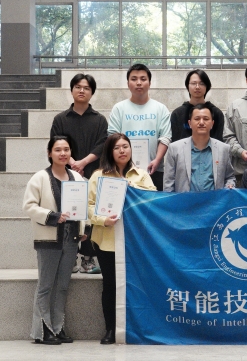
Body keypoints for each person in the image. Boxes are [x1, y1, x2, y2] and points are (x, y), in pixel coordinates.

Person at [88, 133, 157, 345]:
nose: (122, 151)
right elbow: (88, 206)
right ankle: (111, 329)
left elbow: (153, 201)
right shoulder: (98, 176)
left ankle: (137, 328)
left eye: (125, 146)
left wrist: (132, 189)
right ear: (110, 151)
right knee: (110, 285)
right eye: (117, 147)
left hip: (135, 241)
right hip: (107, 240)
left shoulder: (141, 175)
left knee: (136, 284)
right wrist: (102, 220)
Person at [23, 135, 86, 345]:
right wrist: (53, 216)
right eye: (58, 150)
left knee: (62, 286)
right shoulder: (40, 177)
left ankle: (57, 327)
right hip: (49, 240)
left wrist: (84, 229)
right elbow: (29, 206)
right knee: (46, 286)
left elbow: (83, 207)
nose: (63, 153)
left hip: (71, 240)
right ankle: (43, 330)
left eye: (66, 149)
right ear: (50, 153)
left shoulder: (77, 178)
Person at [51, 73, 107, 275]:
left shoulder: (99, 120)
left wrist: (82, 163)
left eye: (86, 88)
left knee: (90, 217)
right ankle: (70, 256)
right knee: (68, 215)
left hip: (92, 173)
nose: (82, 90)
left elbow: (103, 144)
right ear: (72, 90)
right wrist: (72, 163)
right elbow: (56, 144)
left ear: (92, 92)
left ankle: (88, 258)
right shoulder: (60, 119)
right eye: (78, 87)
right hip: (65, 174)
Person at [108, 63, 171, 191]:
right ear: (128, 83)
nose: (138, 83)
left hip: (154, 169)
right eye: (134, 79)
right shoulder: (118, 109)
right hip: (123, 170)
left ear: (150, 83)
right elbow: (112, 137)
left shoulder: (161, 109)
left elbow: (165, 137)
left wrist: (157, 160)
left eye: (143, 79)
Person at [164, 104, 235, 192]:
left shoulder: (224, 149)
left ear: (212, 124)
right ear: (190, 123)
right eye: (197, 119)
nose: (201, 122)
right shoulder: (175, 148)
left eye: (206, 119)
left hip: (214, 200)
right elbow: (168, 183)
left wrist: (230, 185)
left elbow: (230, 177)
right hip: (185, 200)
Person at [170, 69, 225, 143]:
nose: (197, 87)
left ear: (207, 86)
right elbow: (175, 142)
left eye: (202, 83)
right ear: (187, 86)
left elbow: (218, 142)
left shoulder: (216, 113)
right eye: (193, 83)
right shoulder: (177, 114)